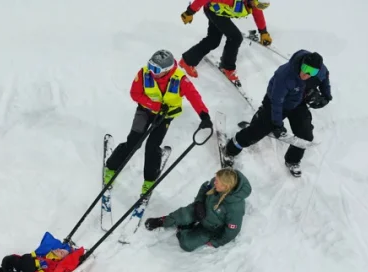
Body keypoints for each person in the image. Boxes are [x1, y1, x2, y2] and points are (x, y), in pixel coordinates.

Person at [104, 50, 213, 196]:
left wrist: (204, 115)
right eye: (150, 66)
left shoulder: (180, 79)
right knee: (134, 142)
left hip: (165, 116)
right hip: (145, 111)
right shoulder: (144, 73)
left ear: (167, 70)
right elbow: (135, 93)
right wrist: (153, 105)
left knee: (152, 146)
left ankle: (149, 180)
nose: (152, 71)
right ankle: (111, 167)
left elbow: (194, 97)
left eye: (156, 69)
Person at [223, 50, 331, 177]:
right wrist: (277, 124)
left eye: (312, 72)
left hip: (298, 103)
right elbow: (276, 102)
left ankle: (292, 160)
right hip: (276, 102)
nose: (306, 74)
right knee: (256, 132)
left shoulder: (320, 71)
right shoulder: (285, 75)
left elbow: (325, 79)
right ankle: (230, 149)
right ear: (302, 63)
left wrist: (327, 96)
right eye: (305, 68)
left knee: (305, 135)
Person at [144, 168, 251, 251]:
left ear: (225, 187)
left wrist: (216, 242)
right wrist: (199, 202)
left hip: (211, 229)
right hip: (202, 209)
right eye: (216, 179)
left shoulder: (235, 207)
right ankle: (162, 221)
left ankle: (183, 229)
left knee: (187, 244)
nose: (214, 182)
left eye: (218, 182)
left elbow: (232, 231)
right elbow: (205, 187)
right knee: (183, 215)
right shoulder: (216, 182)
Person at [179, 0, 271, 82]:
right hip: (213, 10)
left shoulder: (253, 4)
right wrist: (189, 12)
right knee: (235, 37)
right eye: (257, 5)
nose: (257, 8)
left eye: (262, 6)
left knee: (213, 40)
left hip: (220, 12)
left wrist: (263, 32)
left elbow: (257, 12)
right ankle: (227, 67)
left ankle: (187, 60)